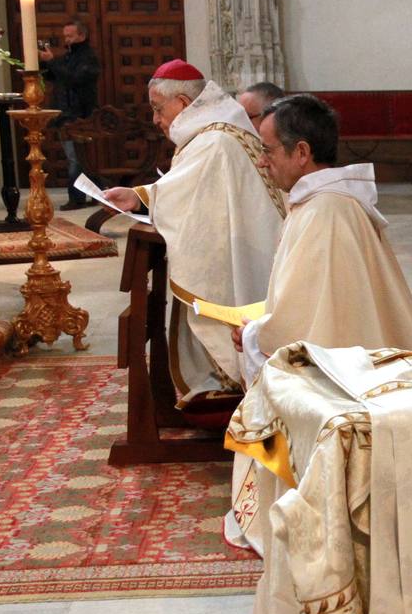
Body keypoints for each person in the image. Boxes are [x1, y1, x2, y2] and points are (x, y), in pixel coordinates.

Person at [104, 59, 286, 403]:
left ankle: (225, 382)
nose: (156, 120)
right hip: (250, 246)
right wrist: (140, 196)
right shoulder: (218, 131)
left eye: (158, 109)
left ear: (184, 104)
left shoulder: (213, 141)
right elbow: (187, 190)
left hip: (236, 253)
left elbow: (186, 197)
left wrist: (143, 198)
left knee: (212, 298)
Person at [231, 93, 412, 385]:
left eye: (268, 150)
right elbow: (313, 304)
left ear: (301, 152)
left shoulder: (324, 213)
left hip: (348, 378)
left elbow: (303, 323)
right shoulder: (324, 203)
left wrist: (254, 334)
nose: (262, 161)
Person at [39, 18, 101, 211]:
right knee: (80, 158)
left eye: (70, 36)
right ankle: (97, 192)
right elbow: (55, 77)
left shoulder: (88, 57)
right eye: (65, 36)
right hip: (66, 114)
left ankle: (77, 198)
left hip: (80, 115)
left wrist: (53, 63)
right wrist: (46, 64)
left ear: (82, 35)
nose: (66, 40)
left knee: (79, 158)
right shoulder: (68, 56)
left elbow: (75, 79)